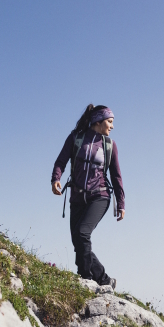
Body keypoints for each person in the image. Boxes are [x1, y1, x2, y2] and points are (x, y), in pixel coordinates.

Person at [51, 104, 125, 288]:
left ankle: (85, 279)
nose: (112, 126)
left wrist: (121, 203)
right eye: (110, 121)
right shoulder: (76, 138)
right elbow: (61, 160)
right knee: (78, 240)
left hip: (99, 196)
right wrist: (55, 179)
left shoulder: (110, 145)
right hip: (77, 196)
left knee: (82, 234)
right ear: (98, 121)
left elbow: (116, 176)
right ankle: (105, 280)